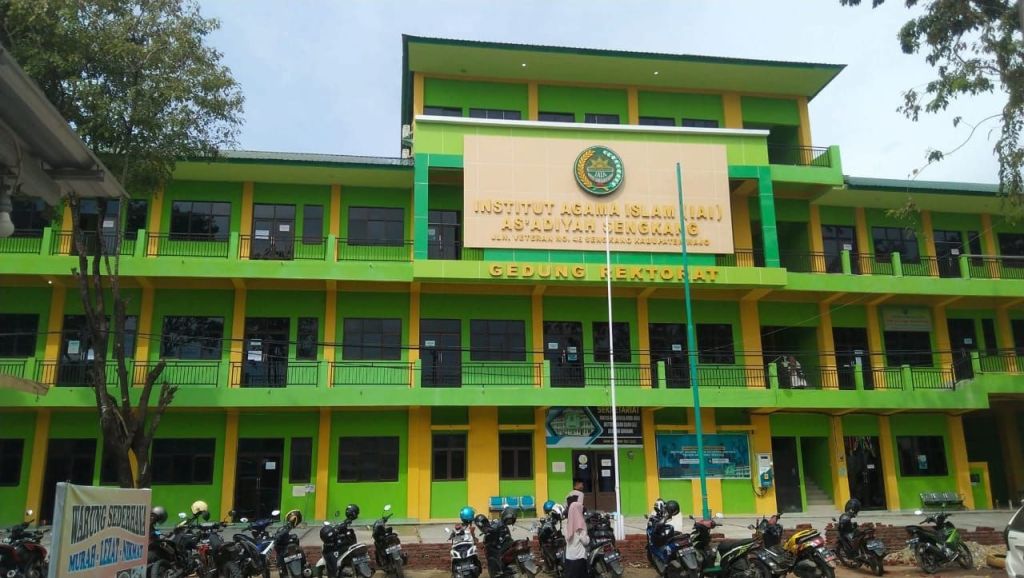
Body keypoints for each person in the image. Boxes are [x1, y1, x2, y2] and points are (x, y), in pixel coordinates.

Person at [563, 501, 589, 578]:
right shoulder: (580, 525)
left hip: (569, 557)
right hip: (580, 558)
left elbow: (567, 539)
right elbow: (585, 542)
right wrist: (588, 538)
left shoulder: (566, 524)